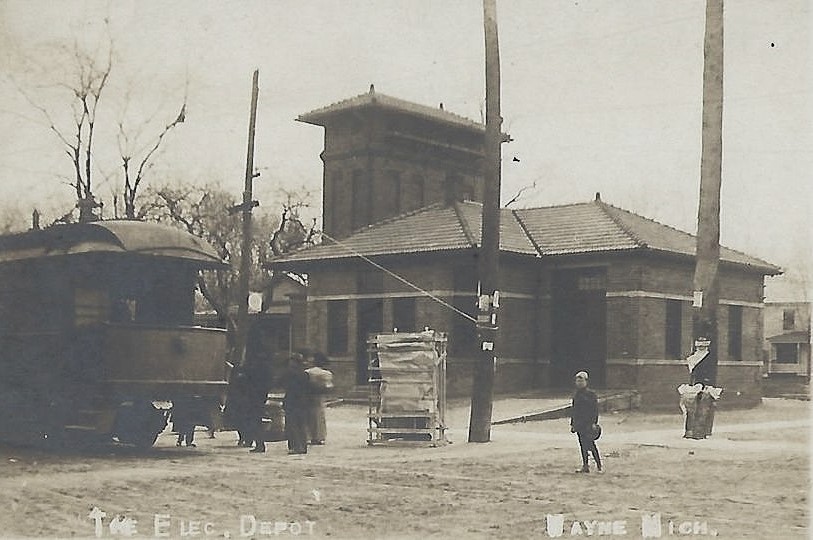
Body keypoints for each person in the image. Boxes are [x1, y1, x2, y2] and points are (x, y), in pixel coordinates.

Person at [570, 371, 602, 473]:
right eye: (577, 380)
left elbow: (595, 410)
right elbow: (574, 410)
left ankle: (599, 465)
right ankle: (585, 465)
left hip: (588, 423)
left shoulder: (591, 394)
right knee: (582, 445)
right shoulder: (576, 395)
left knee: (591, 444)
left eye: (581, 380)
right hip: (579, 423)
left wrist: (594, 423)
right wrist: (572, 423)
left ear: (586, 381)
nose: (579, 383)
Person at [243, 354, 274, 453]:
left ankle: (259, 444)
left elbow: (247, 381)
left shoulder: (255, 370)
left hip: (254, 398)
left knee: (255, 421)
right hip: (261, 397)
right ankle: (259, 444)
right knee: (257, 420)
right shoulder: (268, 370)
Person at [281, 353, 310, 455]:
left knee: (293, 425)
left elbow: (284, 385)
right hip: (303, 402)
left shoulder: (290, 374)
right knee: (302, 425)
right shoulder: (305, 374)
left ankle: (297, 446)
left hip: (293, 402)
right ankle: (303, 446)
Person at [304, 351, 332, 445]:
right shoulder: (326, 373)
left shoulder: (307, 372)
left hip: (308, 396)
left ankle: (309, 436)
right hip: (319, 396)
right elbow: (328, 386)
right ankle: (319, 436)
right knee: (319, 416)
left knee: (309, 417)